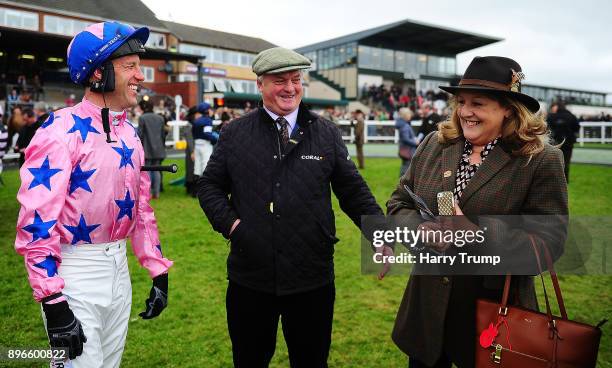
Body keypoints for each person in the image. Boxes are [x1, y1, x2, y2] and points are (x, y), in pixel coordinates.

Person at [198, 47, 391, 368]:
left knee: (311, 360)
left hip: (311, 275)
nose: (290, 88)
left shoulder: (325, 132)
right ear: (260, 84)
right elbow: (209, 186)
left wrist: (380, 233)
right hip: (251, 276)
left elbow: (352, 189)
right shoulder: (234, 132)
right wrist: (234, 227)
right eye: (279, 80)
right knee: (249, 360)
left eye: (296, 80)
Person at [386, 56, 568, 368]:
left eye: (478, 103)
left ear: (508, 108)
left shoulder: (539, 158)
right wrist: (418, 230)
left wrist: (475, 233)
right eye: (461, 102)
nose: (466, 112)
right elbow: (398, 203)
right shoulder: (435, 143)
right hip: (428, 313)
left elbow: (549, 244)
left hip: (495, 316)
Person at [14, 21, 173, 367]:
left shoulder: (130, 133)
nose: (141, 76)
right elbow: (36, 225)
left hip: (119, 272)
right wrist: (52, 300)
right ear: (99, 73)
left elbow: (142, 209)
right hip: (73, 274)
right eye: (130, 66)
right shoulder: (58, 131)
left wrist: (158, 270)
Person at [138, 99, 167, 198]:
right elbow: (163, 135)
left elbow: (140, 135)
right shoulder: (160, 118)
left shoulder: (142, 118)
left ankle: (148, 193)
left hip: (147, 148)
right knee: (157, 170)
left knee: (148, 170)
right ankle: (157, 193)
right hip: (159, 148)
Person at [547, 101, 579, 183]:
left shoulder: (552, 116)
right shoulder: (572, 116)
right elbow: (577, 128)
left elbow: (548, 128)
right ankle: (565, 180)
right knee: (566, 161)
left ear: (557, 107)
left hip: (555, 142)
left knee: (554, 161)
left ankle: (554, 179)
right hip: (569, 143)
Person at [192, 102, 217, 180]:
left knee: (197, 168)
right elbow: (207, 134)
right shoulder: (208, 120)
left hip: (197, 144)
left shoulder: (196, 120)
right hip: (205, 145)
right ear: (207, 110)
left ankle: (196, 188)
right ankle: (204, 188)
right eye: (210, 109)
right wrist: (216, 139)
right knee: (205, 166)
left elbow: (193, 133)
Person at [396, 107, 418, 177]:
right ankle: (403, 182)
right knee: (406, 167)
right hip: (407, 150)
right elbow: (406, 139)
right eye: (409, 114)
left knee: (405, 166)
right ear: (405, 115)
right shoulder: (405, 126)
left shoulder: (403, 125)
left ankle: (402, 181)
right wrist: (415, 142)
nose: (410, 115)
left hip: (404, 149)